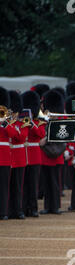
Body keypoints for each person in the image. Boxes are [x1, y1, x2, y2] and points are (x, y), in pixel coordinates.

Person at [40, 89, 65, 215]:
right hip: (45, 154)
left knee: (55, 182)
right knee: (46, 182)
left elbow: (62, 136)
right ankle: (47, 206)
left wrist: (46, 138)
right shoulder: (44, 119)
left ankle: (55, 206)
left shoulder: (60, 120)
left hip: (57, 154)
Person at [22, 90, 46, 217]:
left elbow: (41, 134)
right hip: (24, 154)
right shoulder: (22, 120)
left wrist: (32, 125)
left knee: (33, 183)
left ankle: (33, 208)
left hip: (35, 155)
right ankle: (24, 207)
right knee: (24, 184)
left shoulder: (39, 121)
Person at [8, 90, 29, 219]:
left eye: (14, 112)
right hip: (8, 157)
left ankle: (18, 210)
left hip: (19, 157)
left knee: (18, 186)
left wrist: (9, 126)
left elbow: (20, 137)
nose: (13, 115)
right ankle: (9, 210)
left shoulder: (22, 124)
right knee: (8, 186)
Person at [0, 87, 18, 220]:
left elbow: (14, 134)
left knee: (4, 186)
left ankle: (3, 212)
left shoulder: (7, 122)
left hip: (4, 157)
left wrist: (4, 123)